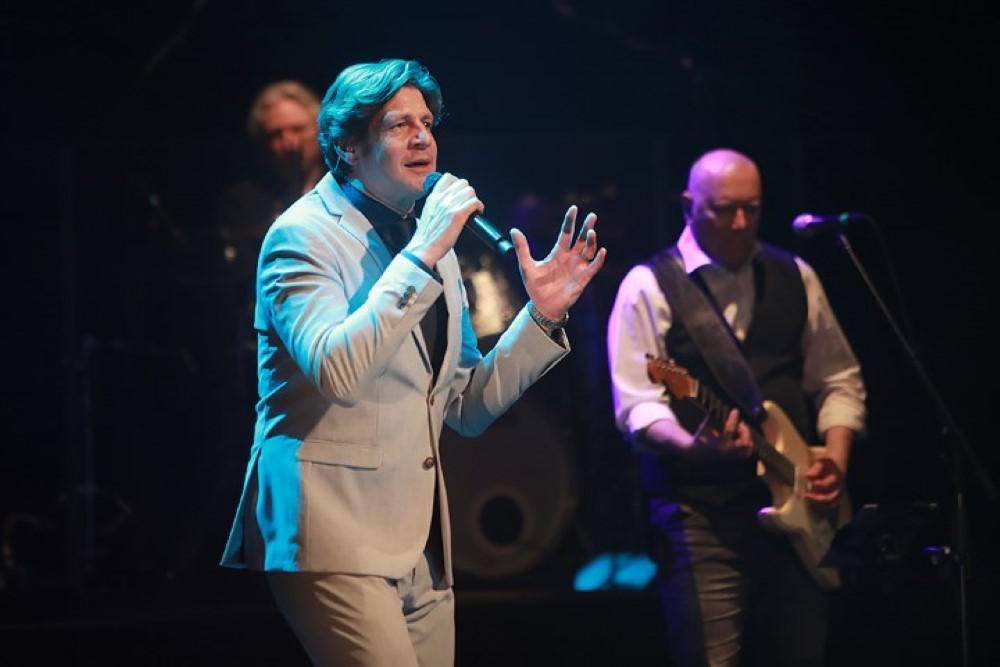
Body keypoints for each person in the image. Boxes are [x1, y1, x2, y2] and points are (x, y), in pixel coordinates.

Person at [220, 58, 606, 666]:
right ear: (348, 146)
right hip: (330, 531)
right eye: (399, 125)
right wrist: (424, 252)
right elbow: (337, 371)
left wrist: (541, 317)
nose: (422, 137)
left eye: (427, 123)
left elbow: (467, 406)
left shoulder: (429, 244)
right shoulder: (301, 236)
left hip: (418, 541)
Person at [606, 148, 865, 666]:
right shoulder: (650, 285)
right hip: (701, 514)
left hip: (801, 513)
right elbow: (637, 404)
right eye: (724, 210)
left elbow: (839, 379)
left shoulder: (796, 274)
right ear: (688, 206)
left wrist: (834, 459)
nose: (741, 223)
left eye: (752, 208)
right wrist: (692, 446)